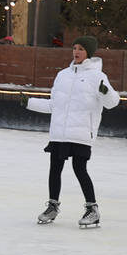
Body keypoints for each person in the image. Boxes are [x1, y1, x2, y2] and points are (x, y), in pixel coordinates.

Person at [23, 36, 120, 228]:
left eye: (81, 49)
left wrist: (106, 92)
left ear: (89, 52)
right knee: (55, 168)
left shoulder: (98, 76)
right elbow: (54, 105)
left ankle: (92, 209)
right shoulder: (63, 75)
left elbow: (112, 103)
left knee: (79, 168)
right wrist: (29, 102)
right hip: (60, 132)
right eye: (74, 48)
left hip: (82, 133)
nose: (76, 52)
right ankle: (52, 206)